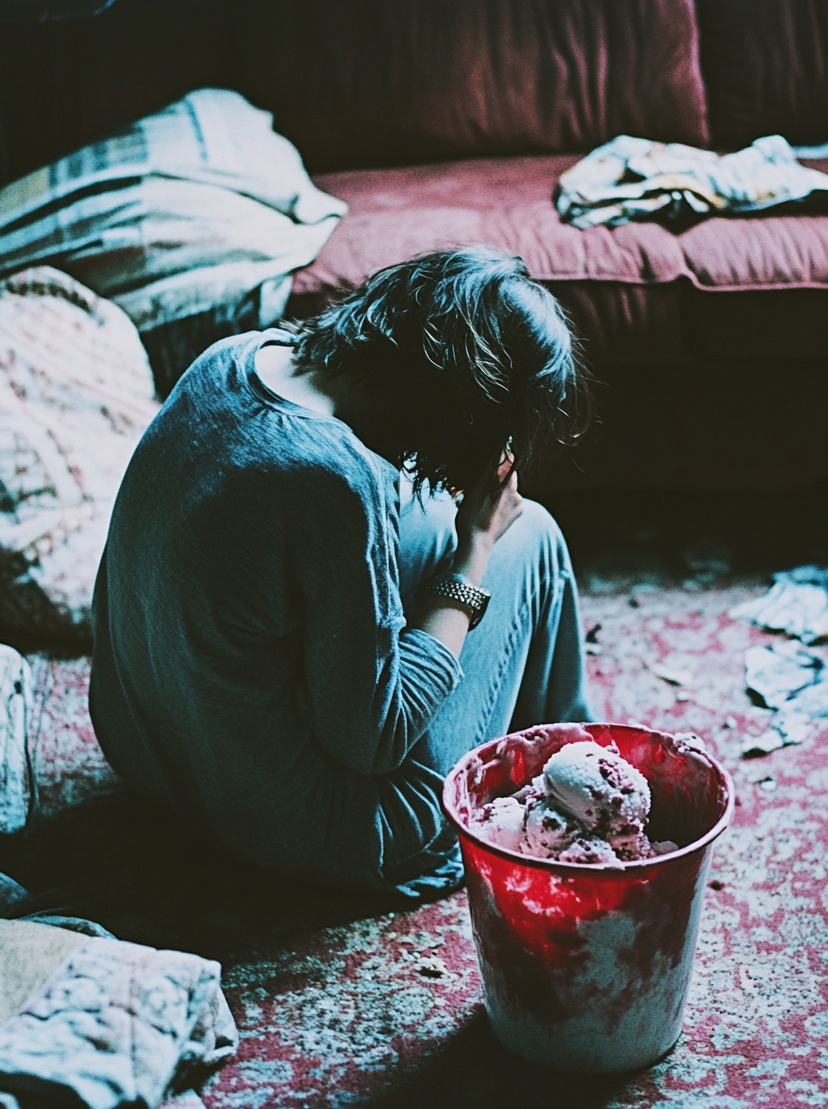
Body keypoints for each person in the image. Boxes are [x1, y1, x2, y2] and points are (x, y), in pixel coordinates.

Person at [90, 248, 594, 900]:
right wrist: (473, 547)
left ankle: (565, 767)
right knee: (530, 534)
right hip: (304, 833)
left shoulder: (237, 358)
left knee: (427, 523)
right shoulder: (332, 480)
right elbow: (371, 742)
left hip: (148, 753)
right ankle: (581, 791)